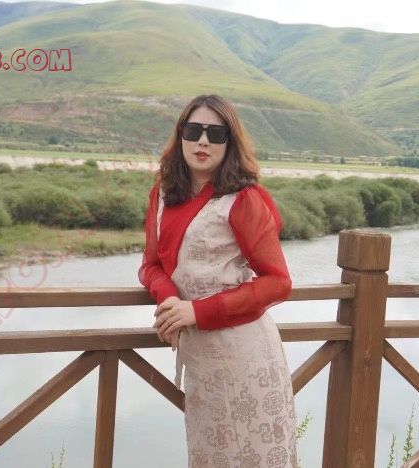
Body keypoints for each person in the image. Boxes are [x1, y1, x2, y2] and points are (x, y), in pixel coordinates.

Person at [138, 94, 297, 467]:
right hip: (201, 361)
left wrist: (196, 311)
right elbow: (150, 266)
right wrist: (170, 302)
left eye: (216, 133)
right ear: (181, 136)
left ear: (230, 141)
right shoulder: (163, 194)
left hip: (246, 355)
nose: (203, 141)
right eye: (193, 131)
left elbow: (278, 282)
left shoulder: (243, 199)